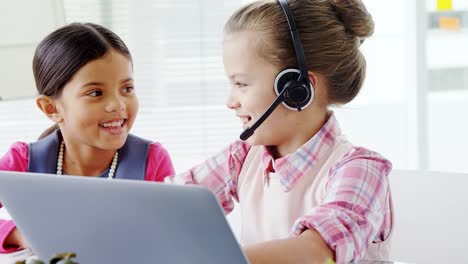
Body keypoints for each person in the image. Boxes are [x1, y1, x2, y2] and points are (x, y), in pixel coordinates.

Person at [165, 0, 392, 263]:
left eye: (241, 84)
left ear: (297, 89)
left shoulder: (362, 170)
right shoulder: (242, 158)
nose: (231, 101)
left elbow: (316, 254)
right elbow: (171, 206)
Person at [0, 23, 175, 253]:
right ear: (51, 108)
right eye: (95, 93)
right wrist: (20, 234)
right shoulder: (23, 161)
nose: (118, 104)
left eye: (127, 88)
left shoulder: (152, 161)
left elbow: (172, 238)